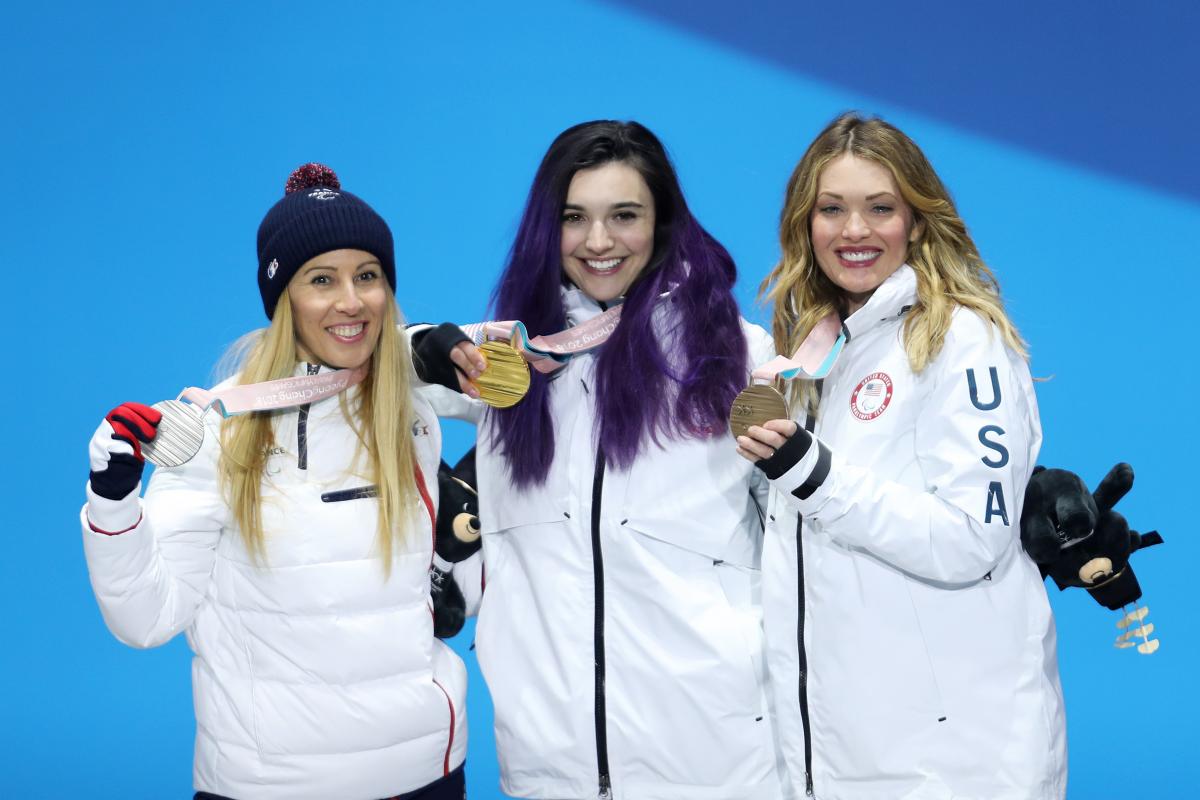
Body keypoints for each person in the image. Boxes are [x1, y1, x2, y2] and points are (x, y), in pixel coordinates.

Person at [81, 164, 474, 800]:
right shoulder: (219, 428)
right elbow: (145, 618)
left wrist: (431, 343)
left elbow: (531, 384)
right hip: (271, 784)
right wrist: (113, 504)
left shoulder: (411, 409)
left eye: (367, 276)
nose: (352, 301)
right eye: (322, 279)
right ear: (283, 298)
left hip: (426, 772)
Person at [436, 121, 783, 799]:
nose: (599, 242)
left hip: (715, 765)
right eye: (574, 218)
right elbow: (356, 362)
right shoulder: (509, 365)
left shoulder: (740, 358)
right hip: (550, 770)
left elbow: (807, 530)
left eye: (624, 216)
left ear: (663, 222)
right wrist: (427, 343)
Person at [738, 113, 1067, 799]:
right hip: (835, 752)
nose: (854, 231)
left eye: (879, 209)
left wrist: (813, 472)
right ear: (805, 223)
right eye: (832, 209)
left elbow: (969, 542)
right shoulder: (811, 354)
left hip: (952, 762)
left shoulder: (961, 340)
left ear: (917, 221)